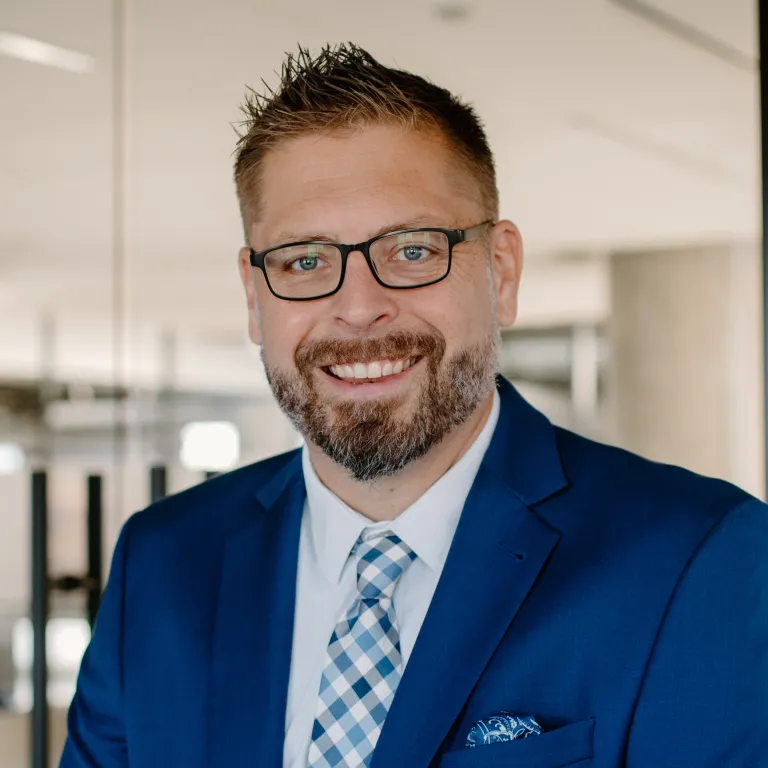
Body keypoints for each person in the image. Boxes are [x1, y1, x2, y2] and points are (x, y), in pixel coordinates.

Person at [60, 43, 767, 768]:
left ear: (501, 271)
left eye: (412, 250)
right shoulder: (163, 563)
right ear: (253, 294)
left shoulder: (696, 558)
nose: (358, 307)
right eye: (305, 260)